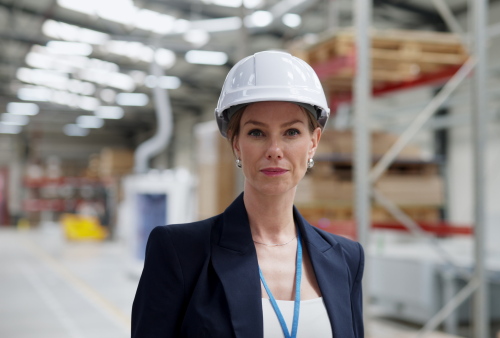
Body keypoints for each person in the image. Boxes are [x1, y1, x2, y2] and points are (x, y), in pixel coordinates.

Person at [132, 50, 364, 338]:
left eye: (291, 132)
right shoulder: (180, 253)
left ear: (313, 143)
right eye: (257, 133)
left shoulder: (345, 258)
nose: (274, 150)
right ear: (236, 143)